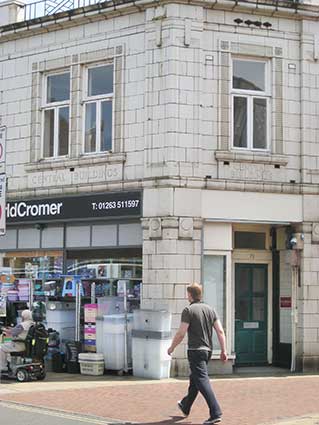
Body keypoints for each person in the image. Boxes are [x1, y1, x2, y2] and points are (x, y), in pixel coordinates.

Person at [167, 283, 228, 425]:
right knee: (195, 380)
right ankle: (185, 405)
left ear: (190, 295)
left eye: (187, 294)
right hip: (207, 351)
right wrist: (224, 350)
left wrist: (171, 348)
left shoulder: (188, 310)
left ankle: (215, 412)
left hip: (195, 351)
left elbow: (181, 333)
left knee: (201, 380)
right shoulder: (210, 309)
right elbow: (220, 331)